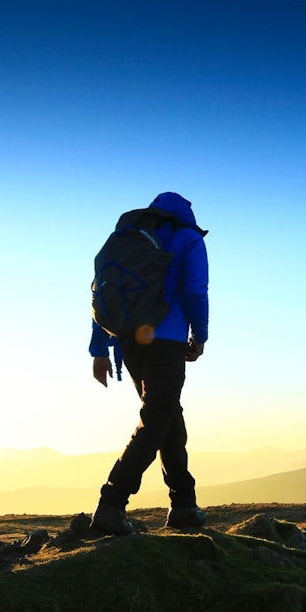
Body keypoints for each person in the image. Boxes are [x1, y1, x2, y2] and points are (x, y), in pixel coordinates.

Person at [88, 191, 209, 535]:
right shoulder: (186, 238)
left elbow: (102, 296)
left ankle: (184, 504)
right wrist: (199, 337)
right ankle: (111, 503)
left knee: (167, 416)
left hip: (130, 344)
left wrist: (99, 350)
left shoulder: (123, 240)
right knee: (157, 420)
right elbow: (196, 290)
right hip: (167, 342)